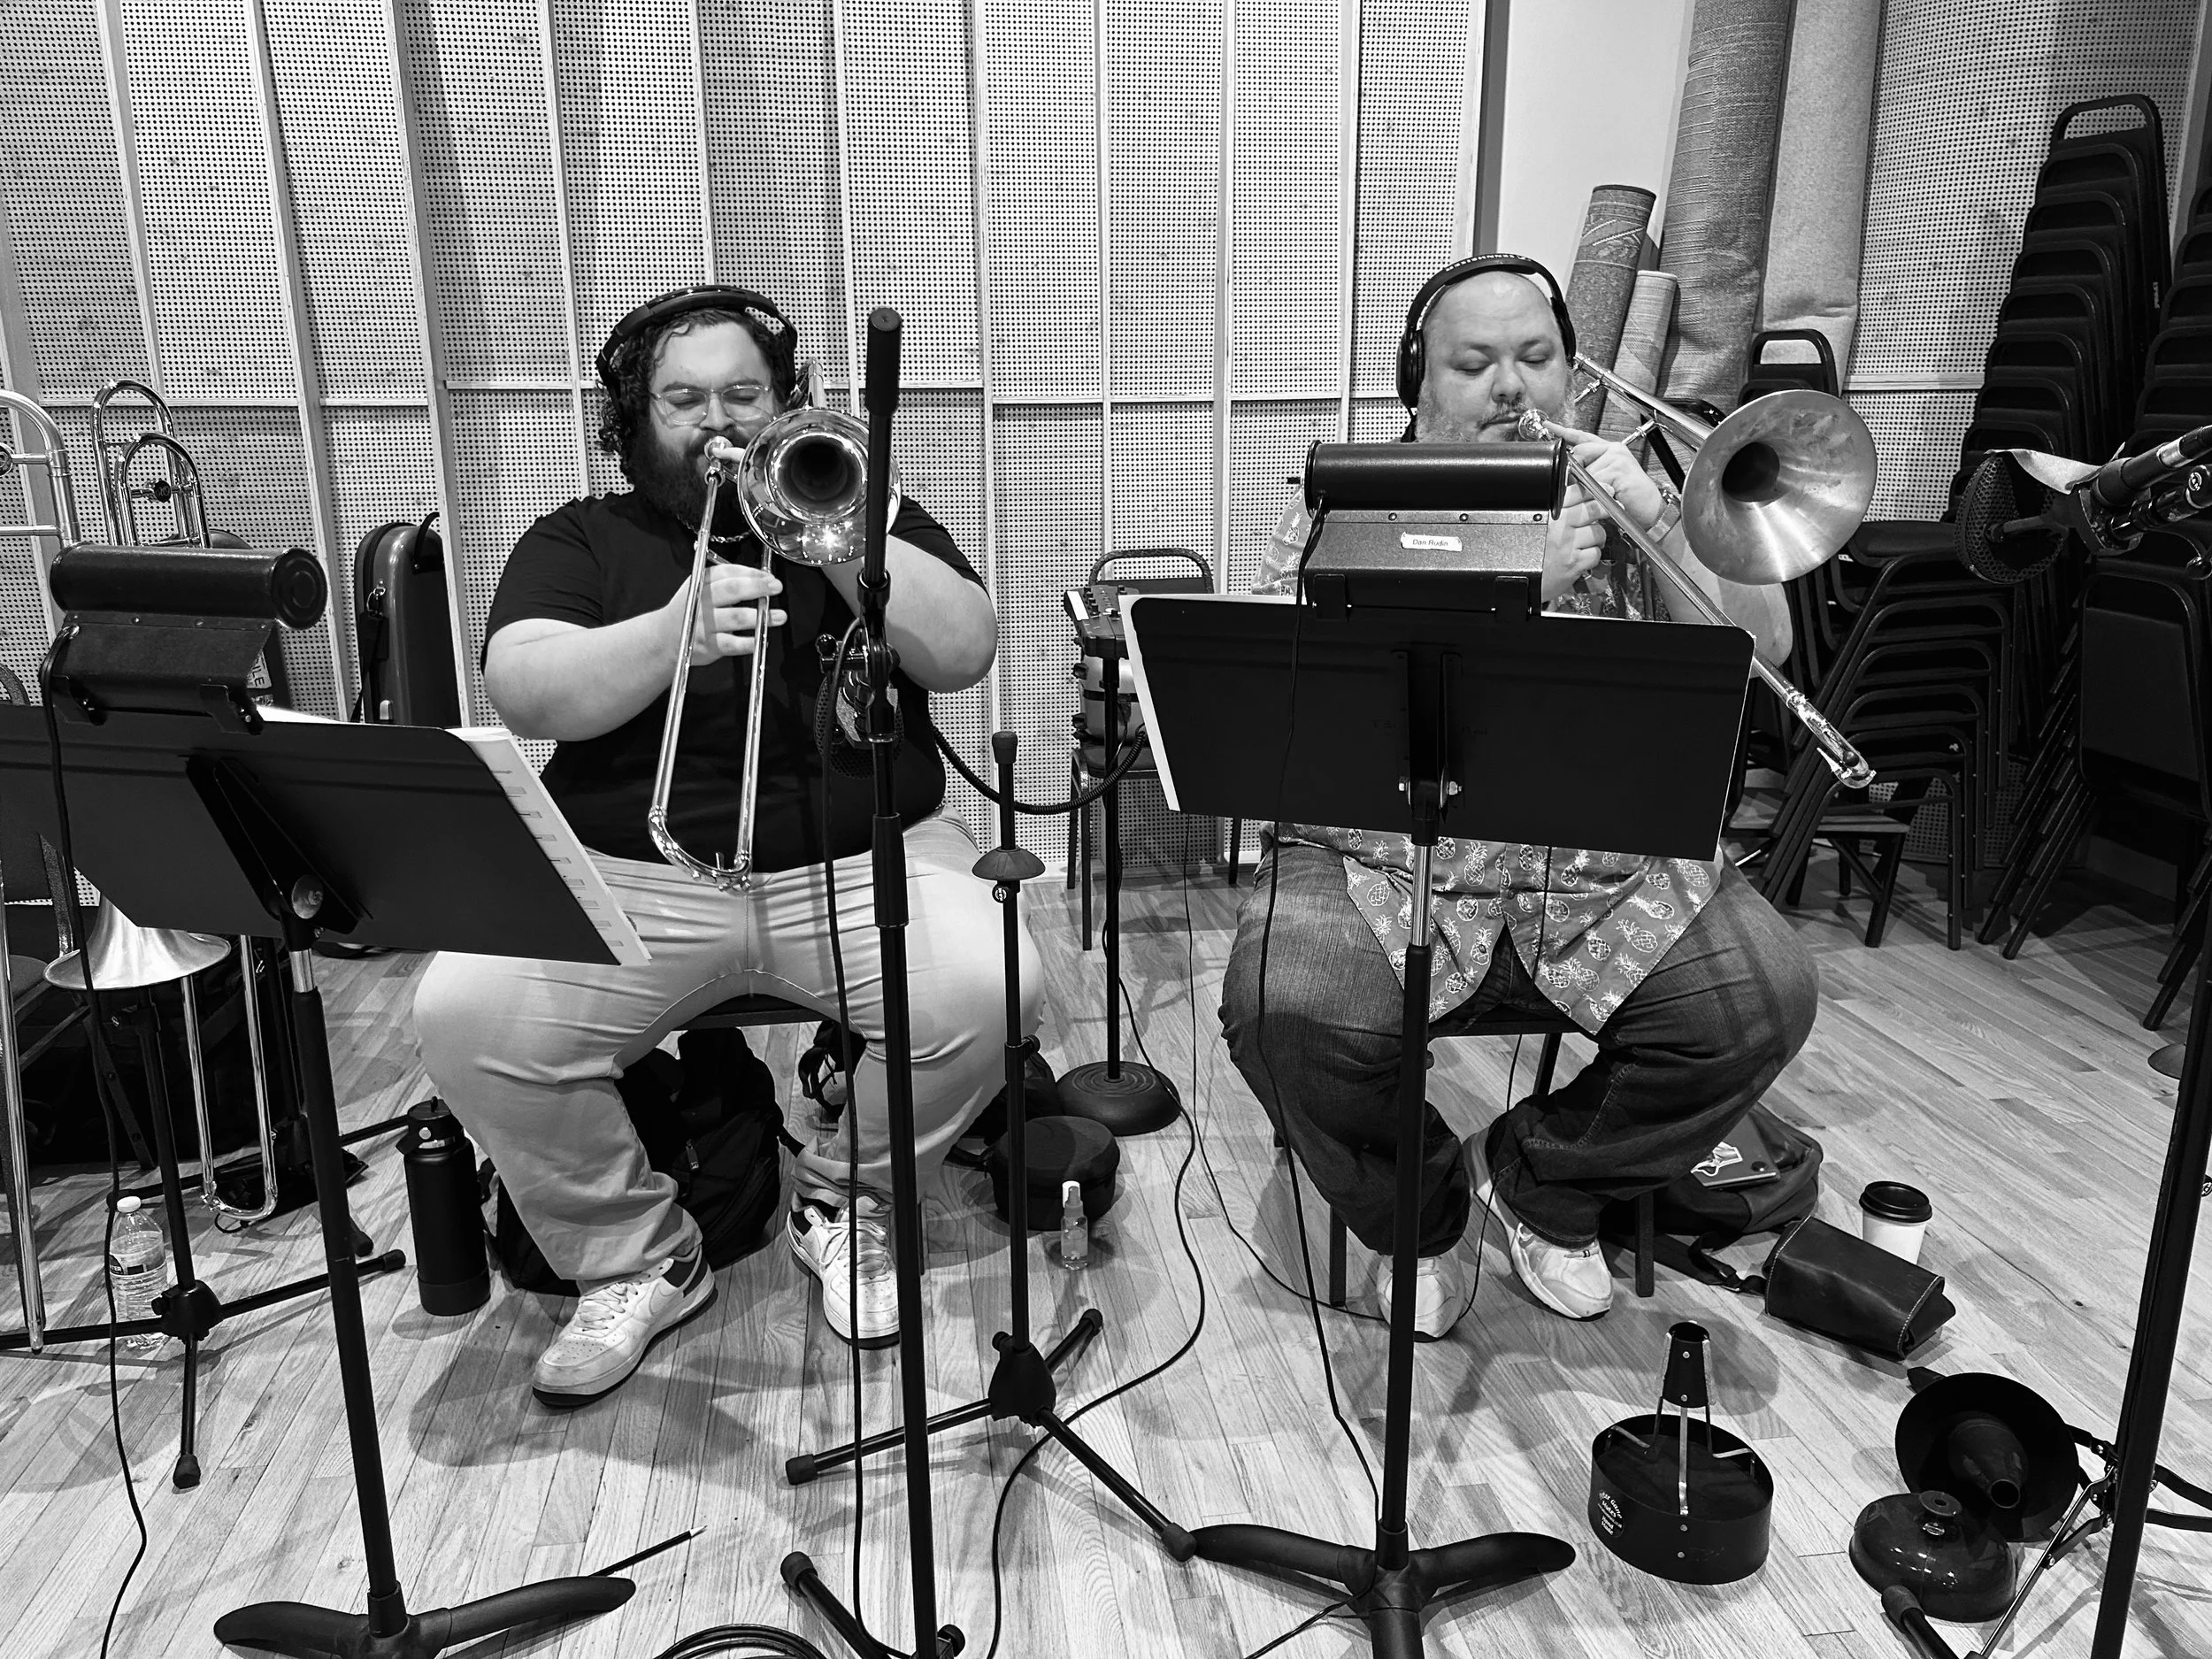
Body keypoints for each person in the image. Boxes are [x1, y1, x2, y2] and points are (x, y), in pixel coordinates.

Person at [413, 284, 1034, 1405]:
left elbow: (962, 650)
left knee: (997, 983)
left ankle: (846, 1197)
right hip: (634, 874)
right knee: (466, 1014)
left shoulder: (864, 511)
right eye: (683, 399)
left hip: (860, 865)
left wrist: (838, 535)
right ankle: (637, 1257)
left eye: (744, 394)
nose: (717, 422)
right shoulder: (582, 536)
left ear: (787, 402)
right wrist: (671, 633)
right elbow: (524, 685)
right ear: (634, 418)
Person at [1219, 256, 1819, 1334]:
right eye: (1475, 363)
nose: (1511, 386)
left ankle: (1542, 1187)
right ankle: (1420, 1219)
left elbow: (1765, 647)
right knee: (1282, 1011)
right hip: (1381, 862)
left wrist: (1663, 518)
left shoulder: (1620, 497)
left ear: (1571, 374)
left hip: (1604, 873)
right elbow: (1279, 686)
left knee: (1760, 1000)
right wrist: (1506, 587)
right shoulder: (1338, 498)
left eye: (1535, 357)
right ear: (1417, 385)